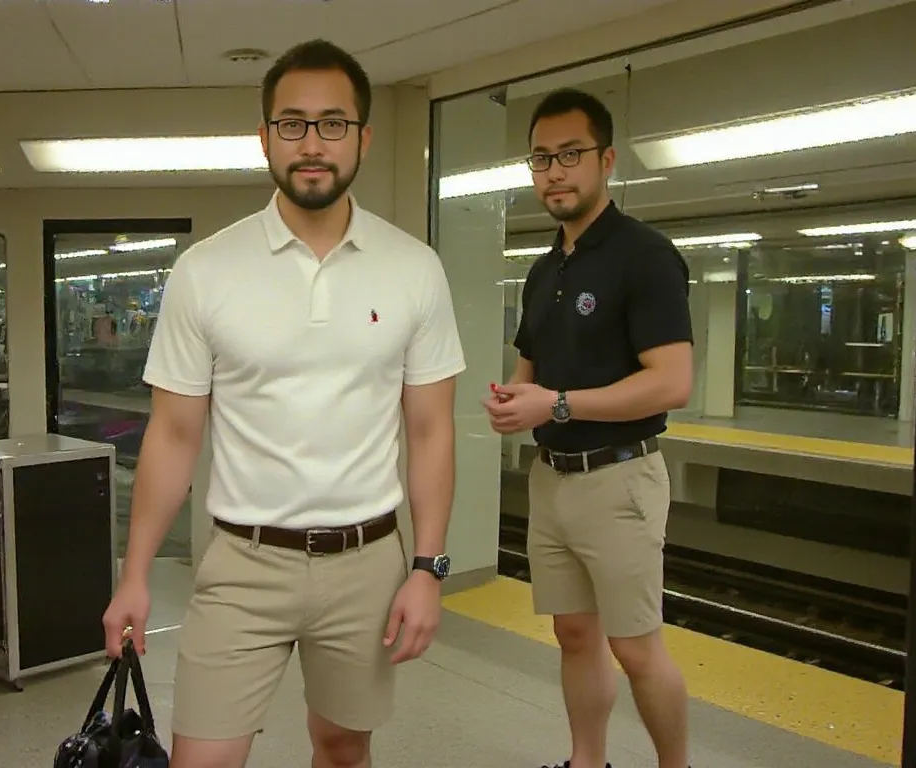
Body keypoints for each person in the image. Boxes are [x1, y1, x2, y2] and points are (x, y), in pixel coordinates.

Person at [102, 39, 466, 768]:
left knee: (341, 747)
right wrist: (134, 574)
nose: (312, 143)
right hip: (242, 560)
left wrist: (427, 568)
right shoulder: (206, 271)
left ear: (363, 137)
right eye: (292, 123)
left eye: (333, 124)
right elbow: (174, 435)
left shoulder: (414, 269)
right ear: (265, 136)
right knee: (202, 759)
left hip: (367, 561)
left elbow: (430, 430)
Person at [484, 87, 694, 768]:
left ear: (605, 160)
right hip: (553, 481)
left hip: (619, 476)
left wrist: (558, 404)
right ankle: (587, 762)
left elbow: (672, 383)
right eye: (541, 158)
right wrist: (514, 401)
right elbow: (531, 372)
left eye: (570, 154)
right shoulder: (545, 270)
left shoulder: (645, 255)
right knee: (576, 634)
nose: (554, 172)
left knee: (635, 647)